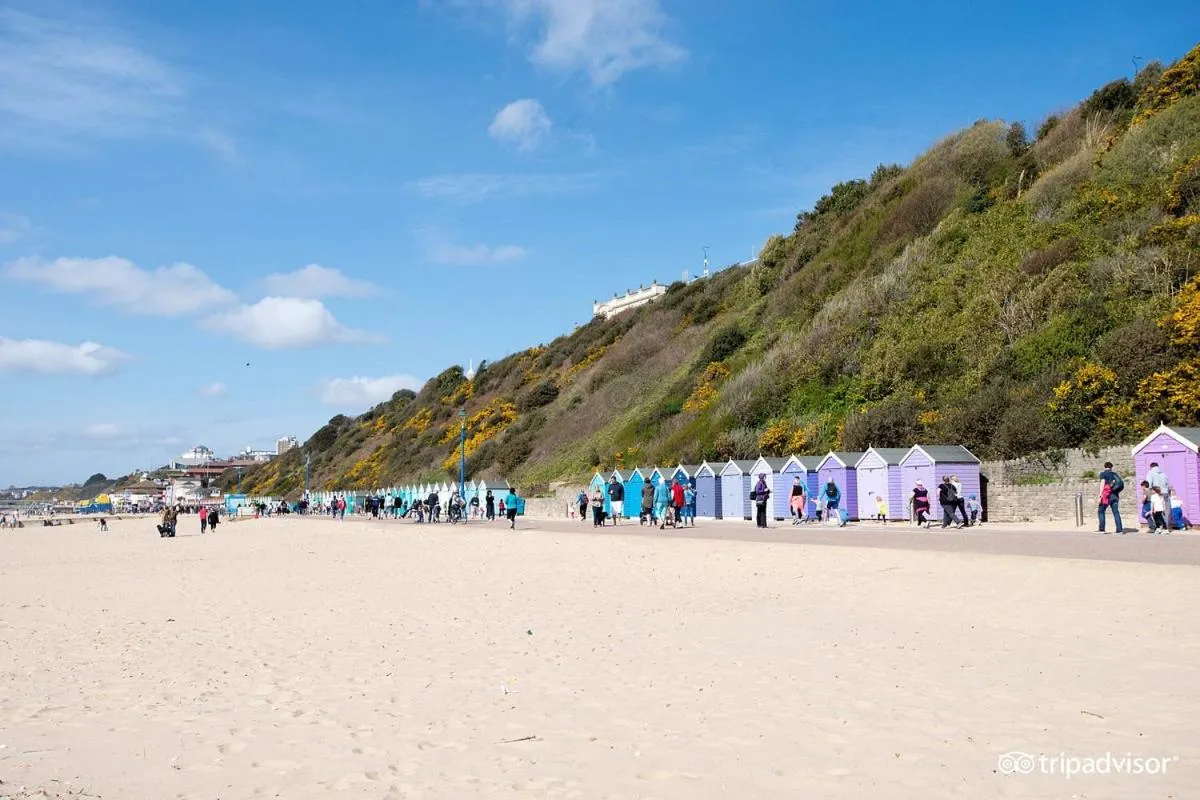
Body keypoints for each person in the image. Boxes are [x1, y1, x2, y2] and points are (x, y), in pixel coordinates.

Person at [1097, 461, 1125, 534]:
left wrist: (1100, 495)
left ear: (1104, 467)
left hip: (1106, 495)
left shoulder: (1103, 474)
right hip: (1115, 495)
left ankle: (1102, 529)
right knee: (1116, 512)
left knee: (1101, 511)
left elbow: (1102, 484)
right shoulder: (1115, 474)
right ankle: (1119, 530)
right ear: (1111, 467)